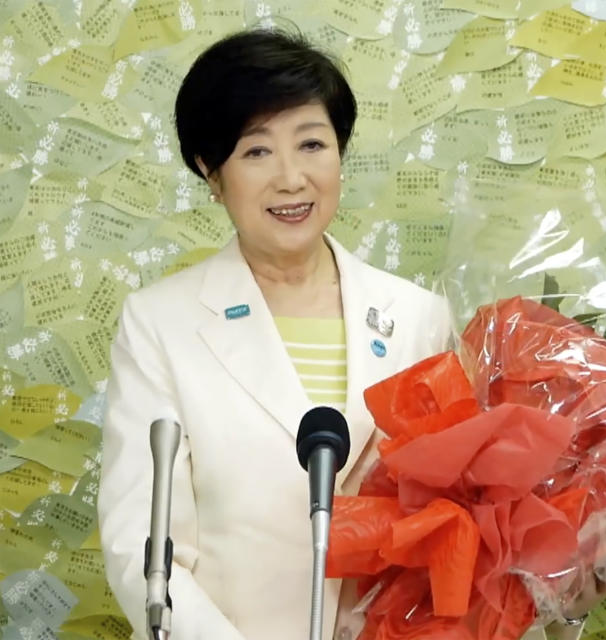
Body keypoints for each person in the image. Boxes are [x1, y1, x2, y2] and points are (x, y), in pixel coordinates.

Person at [97, 29, 450, 640]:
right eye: (256, 152)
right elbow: (143, 547)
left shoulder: (419, 317)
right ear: (212, 173)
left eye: (312, 144)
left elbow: (448, 525)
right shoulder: (160, 324)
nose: (291, 179)